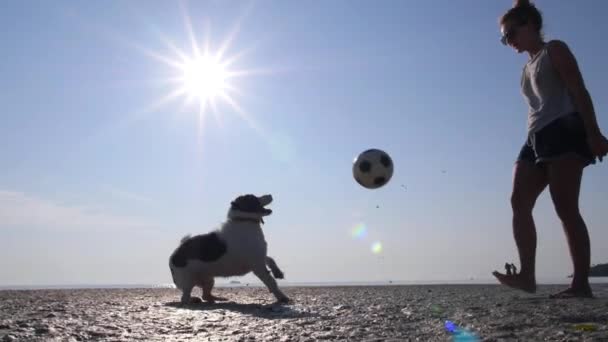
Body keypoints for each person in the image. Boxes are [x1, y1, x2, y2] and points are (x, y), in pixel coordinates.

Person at [492, 0, 608, 298]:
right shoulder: (525, 67)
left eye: (511, 34)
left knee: (565, 207)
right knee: (519, 201)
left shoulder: (554, 49)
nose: (509, 42)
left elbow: (579, 89)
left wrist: (594, 133)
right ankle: (528, 275)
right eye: (504, 39)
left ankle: (580, 284)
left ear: (530, 25)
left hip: (565, 130)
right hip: (535, 137)